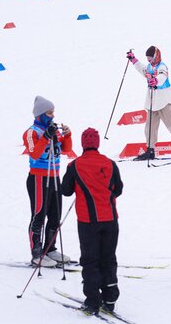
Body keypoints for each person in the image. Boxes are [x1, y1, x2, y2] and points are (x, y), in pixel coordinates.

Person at [61, 128, 123, 314]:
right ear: (97, 143)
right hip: (110, 220)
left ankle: (92, 301)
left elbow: (65, 190)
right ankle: (110, 299)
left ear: (83, 144)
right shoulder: (110, 164)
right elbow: (118, 189)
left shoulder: (75, 166)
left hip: (88, 221)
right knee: (108, 259)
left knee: (90, 261)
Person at [23, 96, 73, 267]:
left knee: (55, 213)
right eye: (49, 112)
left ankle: (50, 249)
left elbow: (66, 150)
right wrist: (45, 137)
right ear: (40, 114)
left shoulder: (53, 130)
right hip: (38, 177)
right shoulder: (32, 132)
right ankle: (36, 252)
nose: (53, 115)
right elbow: (34, 153)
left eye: (53, 112)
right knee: (39, 214)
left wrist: (67, 135)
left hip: (54, 176)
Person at [126, 46, 171, 160]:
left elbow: (162, 76)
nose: (149, 61)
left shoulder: (162, 67)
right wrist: (133, 60)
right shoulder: (149, 67)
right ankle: (150, 150)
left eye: (151, 58)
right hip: (153, 102)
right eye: (147, 59)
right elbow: (142, 69)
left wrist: (156, 80)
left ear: (156, 56)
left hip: (164, 101)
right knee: (150, 128)